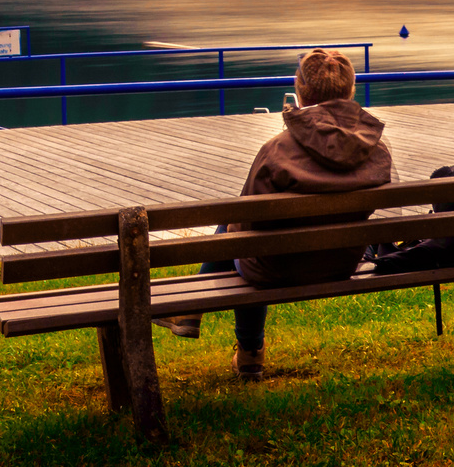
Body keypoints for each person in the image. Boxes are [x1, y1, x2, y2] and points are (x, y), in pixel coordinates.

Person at [154, 48, 392, 380]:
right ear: (351, 90)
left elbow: (249, 221)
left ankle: (242, 347)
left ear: (299, 90)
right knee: (241, 234)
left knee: (237, 234)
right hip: (341, 261)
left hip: (277, 267)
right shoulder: (376, 149)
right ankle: (194, 316)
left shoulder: (278, 150)